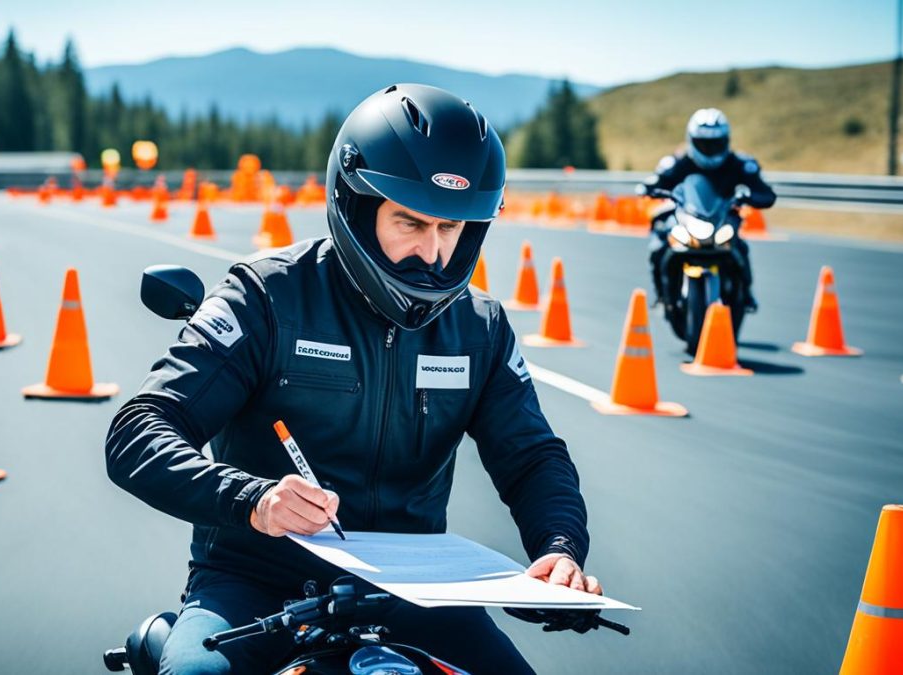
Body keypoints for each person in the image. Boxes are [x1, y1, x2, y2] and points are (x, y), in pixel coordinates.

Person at [106, 84, 598, 674]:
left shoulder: (480, 327)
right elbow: (138, 430)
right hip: (256, 582)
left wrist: (559, 548)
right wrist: (253, 499)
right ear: (356, 206)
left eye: (451, 228)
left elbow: (532, 457)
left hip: (418, 591)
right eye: (410, 222)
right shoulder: (264, 296)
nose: (433, 253)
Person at [641, 108, 776, 311]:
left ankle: (746, 293)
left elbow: (765, 192)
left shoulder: (740, 164)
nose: (710, 149)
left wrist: (750, 196)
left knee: (740, 248)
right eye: (704, 144)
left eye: (716, 143)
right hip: (687, 218)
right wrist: (651, 187)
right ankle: (662, 293)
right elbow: (657, 181)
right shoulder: (678, 163)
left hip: (723, 219)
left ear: (726, 141)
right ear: (692, 140)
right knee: (660, 243)